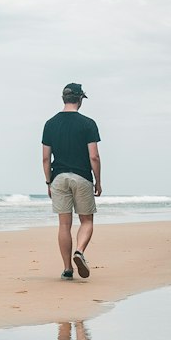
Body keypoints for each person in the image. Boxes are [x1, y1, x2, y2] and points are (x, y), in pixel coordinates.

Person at [41, 82, 102, 281]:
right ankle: (79, 251)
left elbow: (45, 158)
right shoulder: (88, 123)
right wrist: (98, 182)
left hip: (58, 178)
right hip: (82, 177)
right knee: (86, 220)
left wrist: (49, 182)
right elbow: (94, 156)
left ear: (63, 98)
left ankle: (67, 269)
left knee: (63, 225)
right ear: (80, 99)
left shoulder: (50, 123)